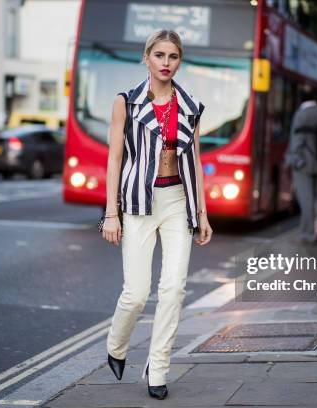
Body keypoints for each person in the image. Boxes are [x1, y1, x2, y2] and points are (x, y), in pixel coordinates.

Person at [101, 29, 213, 400]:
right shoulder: (126, 102)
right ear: (146, 57)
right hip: (137, 203)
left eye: (173, 56)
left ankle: (158, 368)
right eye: (160, 55)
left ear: (180, 61)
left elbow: (194, 160)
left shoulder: (191, 106)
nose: (166, 63)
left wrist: (202, 212)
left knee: (173, 290)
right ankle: (117, 344)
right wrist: (110, 214)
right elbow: (115, 159)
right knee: (135, 294)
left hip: (178, 201)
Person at [285, 86, 317, 243]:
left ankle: (308, 234)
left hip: (304, 164)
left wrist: (294, 160)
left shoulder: (301, 115)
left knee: (306, 200)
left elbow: (296, 142)